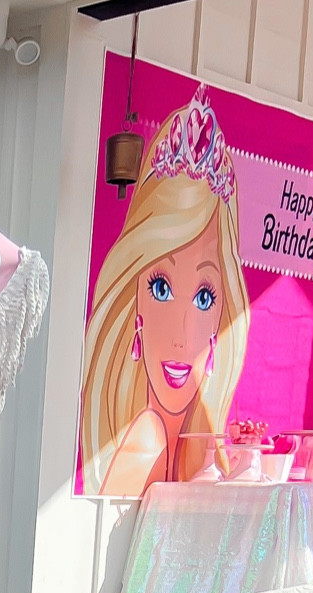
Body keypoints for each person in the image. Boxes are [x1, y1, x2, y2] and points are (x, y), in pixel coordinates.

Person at [80, 86, 251, 497]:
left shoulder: (204, 446)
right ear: (134, 295)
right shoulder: (146, 439)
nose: (181, 334)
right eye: (160, 287)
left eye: (204, 297)